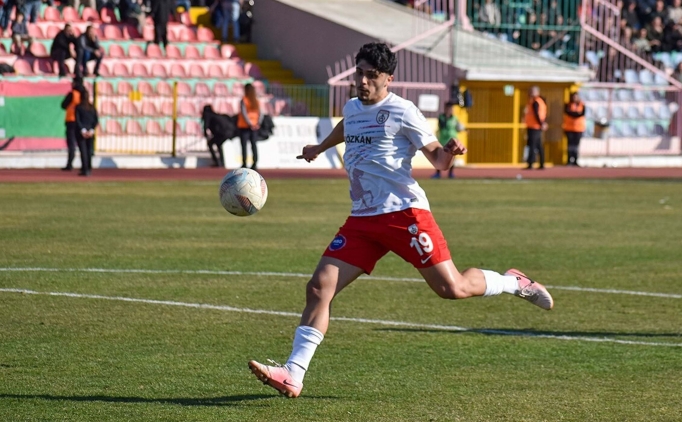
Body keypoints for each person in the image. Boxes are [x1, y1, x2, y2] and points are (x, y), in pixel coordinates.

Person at [248, 42, 554, 399]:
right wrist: (320, 147)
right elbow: (348, 125)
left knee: (452, 288)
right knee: (319, 287)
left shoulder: (403, 111)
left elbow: (438, 161)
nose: (363, 81)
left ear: (388, 79)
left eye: (371, 75)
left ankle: (513, 282)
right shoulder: (352, 106)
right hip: (363, 220)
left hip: (405, 215)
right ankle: (293, 373)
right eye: (359, 73)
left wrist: (450, 153)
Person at [432, 101, 461, 179]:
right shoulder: (441, 117)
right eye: (448, 108)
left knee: (452, 157)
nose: (450, 110)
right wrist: (447, 118)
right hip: (443, 140)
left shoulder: (455, 118)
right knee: (439, 157)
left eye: (451, 109)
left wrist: (463, 129)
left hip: (452, 139)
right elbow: (443, 126)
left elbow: (458, 127)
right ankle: (438, 173)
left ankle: (451, 173)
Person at [61, 77, 83, 171]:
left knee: (71, 144)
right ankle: (85, 165)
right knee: (82, 144)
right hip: (81, 121)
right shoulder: (84, 94)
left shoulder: (72, 94)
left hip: (71, 120)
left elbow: (63, 105)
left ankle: (70, 164)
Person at [237, 83, 262, 170]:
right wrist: (257, 123)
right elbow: (260, 113)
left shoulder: (244, 100)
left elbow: (244, 113)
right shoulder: (256, 101)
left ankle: (244, 163)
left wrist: (250, 123)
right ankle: (255, 163)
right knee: (253, 144)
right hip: (254, 126)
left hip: (245, 126)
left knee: (244, 145)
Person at [75, 87, 98, 176]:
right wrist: (91, 130)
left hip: (82, 132)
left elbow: (78, 120)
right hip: (90, 131)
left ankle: (85, 169)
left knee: (83, 151)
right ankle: (88, 168)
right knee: (89, 151)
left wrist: (83, 130)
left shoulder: (79, 107)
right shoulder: (92, 107)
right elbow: (96, 120)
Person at [524, 86, 548, 170]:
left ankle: (531, 163)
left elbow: (537, 114)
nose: (531, 93)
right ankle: (541, 163)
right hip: (534, 126)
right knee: (538, 145)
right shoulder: (539, 101)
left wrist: (541, 124)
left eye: (533, 91)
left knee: (532, 145)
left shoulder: (536, 102)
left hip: (534, 126)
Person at [562, 92, 585, 167]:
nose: (575, 98)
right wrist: (576, 114)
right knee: (570, 145)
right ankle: (569, 160)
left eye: (576, 97)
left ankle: (575, 160)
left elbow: (582, 114)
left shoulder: (582, 105)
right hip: (569, 128)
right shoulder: (568, 104)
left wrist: (574, 114)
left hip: (579, 129)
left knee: (576, 146)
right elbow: (568, 112)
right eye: (573, 97)